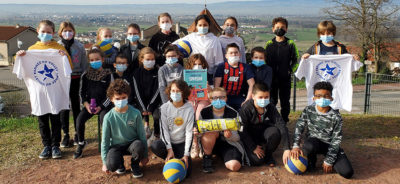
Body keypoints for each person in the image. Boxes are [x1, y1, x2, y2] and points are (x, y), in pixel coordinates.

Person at [15, 19, 72, 159]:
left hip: (55, 91)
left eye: (48, 32)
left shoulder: (59, 49)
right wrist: (19, 56)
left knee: (55, 119)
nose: (46, 34)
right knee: (42, 120)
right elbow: (21, 70)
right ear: (38, 32)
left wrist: (64, 57)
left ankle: (55, 146)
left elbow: (68, 68)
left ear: (53, 33)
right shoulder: (32, 50)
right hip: (39, 92)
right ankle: (46, 146)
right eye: (43, 32)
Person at [290, 81, 354, 179]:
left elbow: (336, 140)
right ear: (314, 98)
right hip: (313, 142)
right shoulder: (308, 110)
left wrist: (329, 160)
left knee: (347, 172)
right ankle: (311, 160)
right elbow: (299, 127)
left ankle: (330, 158)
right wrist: (295, 146)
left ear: (331, 98)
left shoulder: (336, 116)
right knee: (308, 146)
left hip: (329, 145)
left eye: (326, 96)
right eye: (318, 96)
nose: (322, 99)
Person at [101, 79, 148, 178]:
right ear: (111, 99)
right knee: (111, 165)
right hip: (116, 146)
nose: (121, 101)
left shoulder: (135, 113)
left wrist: (145, 155)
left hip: (132, 144)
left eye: (124, 98)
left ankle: (135, 165)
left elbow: (142, 135)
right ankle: (120, 164)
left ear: (128, 97)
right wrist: (104, 162)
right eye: (117, 99)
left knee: (139, 145)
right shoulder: (108, 117)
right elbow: (105, 141)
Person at [196, 87, 248, 173]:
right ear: (210, 100)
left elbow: (238, 137)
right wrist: (197, 132)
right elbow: (200, 134)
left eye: (222, 97)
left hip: (228, 143)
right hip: (210, 143)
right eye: (215, 98)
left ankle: (223, 155)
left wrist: (230, 135)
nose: (218, 100)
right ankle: (207, 158)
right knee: (211, 133)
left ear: (226, 98)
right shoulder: (204, 112)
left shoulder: (233, 113)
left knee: (234, 166)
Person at [74, 47, 113, 159]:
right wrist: (86, 105)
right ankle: (81, 143)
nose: (94, 61)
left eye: (97, 59)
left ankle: (108, 144)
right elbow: (81, 94)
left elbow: (110, 95)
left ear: (102, 60)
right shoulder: (85, 75)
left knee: (104, 119)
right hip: (89, 106)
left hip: (104, 106)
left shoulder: (108, 74)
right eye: (92, 60)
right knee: (79, 120)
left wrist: (100, 107)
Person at [239, 83, 291, 167]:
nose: (264, 100)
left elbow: (281, 124)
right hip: (250, 136)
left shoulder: (270, 107)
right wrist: (253, 147)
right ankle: (250, 151)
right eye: (260, 97)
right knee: (257, 161)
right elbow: (242, 131)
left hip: (264, 132)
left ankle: (268, 154)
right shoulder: (246, 109)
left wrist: (287, 148)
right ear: (253, 96)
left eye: (266, 97)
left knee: (275, 133)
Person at [150, 80, 194, 177]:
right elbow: (164, 130)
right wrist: (169, 149)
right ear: (169, 92)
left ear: (184, 92)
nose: (175, 93)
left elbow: (189, 132)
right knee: (155, 145)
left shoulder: (189, 108)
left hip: (181, 143)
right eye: (173, 91)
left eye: (178, 91)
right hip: (168, 144)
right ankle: (169, 158)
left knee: (187, 174)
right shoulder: (164, 108)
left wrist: (186, 154)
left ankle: (178, 158)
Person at [57, 21, 87, 148]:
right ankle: (65, 134)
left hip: (76, 77)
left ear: (74, 32)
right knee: (64, 107)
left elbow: (84, 64)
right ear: (60, 32)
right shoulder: (56, 46)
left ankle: (77, 133)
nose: (67, 33)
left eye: (70, 30)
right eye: (64, 31)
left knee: (76, 106)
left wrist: (83, 78)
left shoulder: (79, 46)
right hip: (62, 79)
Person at [265, 17, 299, 123]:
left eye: (282, 27)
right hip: (272, 78)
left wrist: (290, 70)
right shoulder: (269, 43)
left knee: (285, 101)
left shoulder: (291, 43)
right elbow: (265, 59)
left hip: (285, 78)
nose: (280, 29)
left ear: (286, 29)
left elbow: (296, 59)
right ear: (273, 29)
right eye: (277, 27)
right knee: (272, 101)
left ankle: (284, 121)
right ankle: (272, 120)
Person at [173, 14, 224, 84]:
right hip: (193, 73)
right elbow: (174, 44)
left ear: (209, 26)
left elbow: (219, 61)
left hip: (208, 74)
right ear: (196, 26)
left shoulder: (214, 40)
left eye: (205, 25)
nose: (202, 27)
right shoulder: (191, 37)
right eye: (200, 25)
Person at [130, 47, 161, 139]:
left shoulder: (159, 72)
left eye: (152, 59)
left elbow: (158, 90)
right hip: (140, 103)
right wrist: (143, 108)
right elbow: (137, 92)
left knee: (157, 116)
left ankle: (157, 134)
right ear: (141, 59)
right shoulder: (136, 73)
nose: (150, 61)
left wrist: (151, 106)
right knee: (136, 115)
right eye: (147, 59)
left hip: (155, 102)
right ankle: (144, 128)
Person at [214, 43, 255, 111]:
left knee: (247, 109)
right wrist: (217, 100)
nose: (234, 55)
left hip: (239, 97)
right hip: (224, 97)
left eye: (236, 52)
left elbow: (252, 84)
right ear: (226, 56)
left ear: (239, 55)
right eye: (231, 53)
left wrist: (247, 100)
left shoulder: (245, 67)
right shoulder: (221, 66)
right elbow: (216, 86)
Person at [185, 53, 210, 158]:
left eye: (200, 64)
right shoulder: (186, 76)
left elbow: (211, 94)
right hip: (191, 100)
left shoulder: (208, 75)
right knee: (190, 113)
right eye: (195, 64)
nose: (197, 66)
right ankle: (194, 143)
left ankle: (201, 142)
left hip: (203, 99)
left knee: (199, 114)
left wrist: (209, 88)